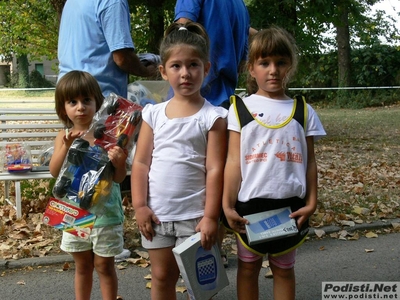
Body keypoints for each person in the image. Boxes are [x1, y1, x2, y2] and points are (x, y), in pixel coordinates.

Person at [222, 27, 326, 300]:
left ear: (290, 66)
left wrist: (312, 202)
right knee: (247, 269)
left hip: (290, 209)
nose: (273, 70)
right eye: (264, 63)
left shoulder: (303, 110)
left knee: (283, 270)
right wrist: (227, 205)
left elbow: (310, 163)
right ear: (251, 68)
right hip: (250, 209)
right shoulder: (239, 109)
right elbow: (233, 162)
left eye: (281, 62)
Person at [131, 22, 227, 299]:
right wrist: (139, 206)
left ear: (206, 68)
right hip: (157, 215)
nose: (185, 73)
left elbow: (215, 168)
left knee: (199, 283)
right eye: (176, 66)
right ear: (163, 71)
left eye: (193, 65)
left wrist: (211, 216)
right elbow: (140, 164)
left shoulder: (214, 117)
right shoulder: (153, 114)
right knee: (162, 277)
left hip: (195, 218)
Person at [49, 70, 128, 300]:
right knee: (82, 265)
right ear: (63, 108)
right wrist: (66, 146)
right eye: (72, 101)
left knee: (104, 265)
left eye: (87, 100)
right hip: (74, 212)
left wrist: (120, 162)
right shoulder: (63, 136)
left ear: (97, 103)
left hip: (106, 213)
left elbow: (119, 179)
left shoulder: (109, 137)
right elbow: (55, 172)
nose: (80, 107)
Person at [57, 0, 156, 100]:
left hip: (67, 95)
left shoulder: (71, 2)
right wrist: (147, 71)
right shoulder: (112, 1)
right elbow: (122, 58)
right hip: (97, 99)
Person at [174, 0, 252, 108]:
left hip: (193, 102)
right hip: (226, 103)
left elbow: (180, 35)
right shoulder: (241, 6)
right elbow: (242, 64)